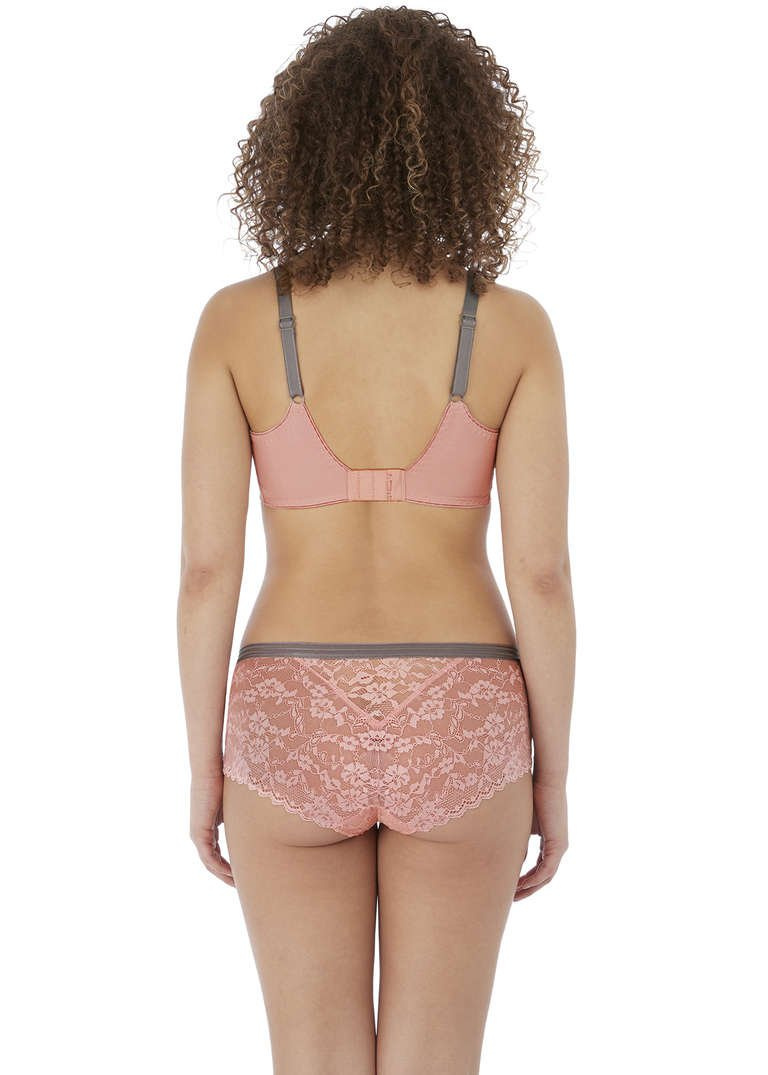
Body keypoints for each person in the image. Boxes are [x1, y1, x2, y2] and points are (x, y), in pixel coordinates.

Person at [177, 7, 575, 1073]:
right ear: (473, 151)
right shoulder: (510, 326)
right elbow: (541, 575)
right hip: (464, 711)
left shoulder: (237, 322)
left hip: (288, 709)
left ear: (299, 147)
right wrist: (551, 777)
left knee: (310, 1057)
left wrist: (206, 765)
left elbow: (207, 572)